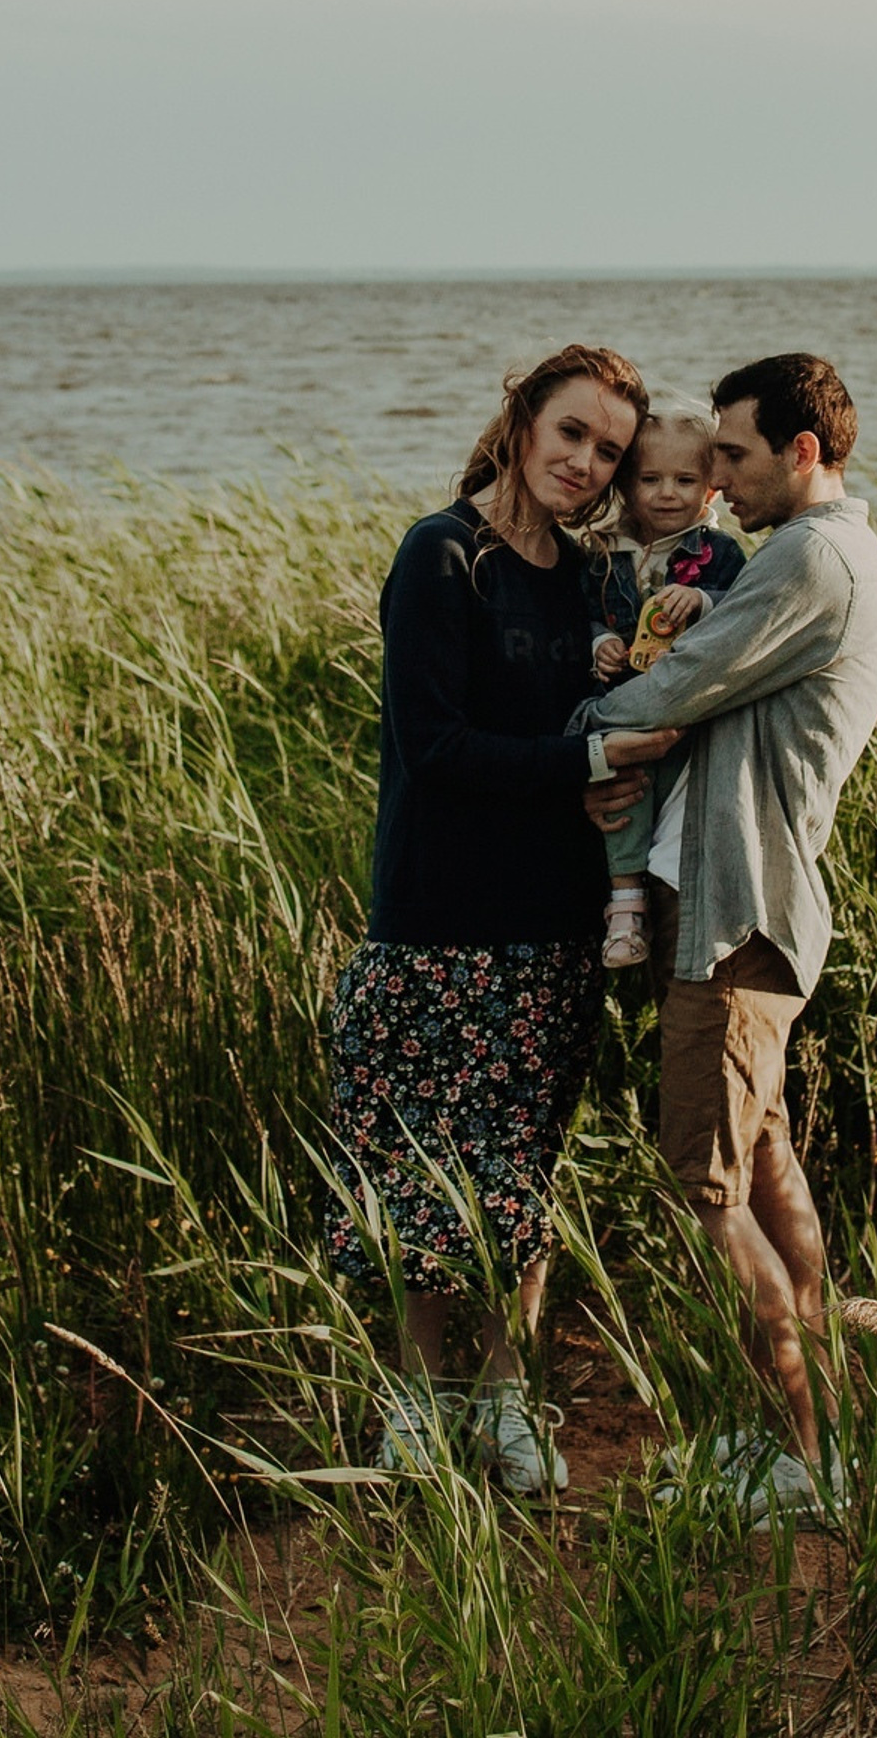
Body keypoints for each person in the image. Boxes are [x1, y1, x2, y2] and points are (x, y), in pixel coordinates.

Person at [325, 345, 681, 1494]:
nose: (586, 463)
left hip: (558, 920)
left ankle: (507, 1403)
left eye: (610, 452)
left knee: (518, 1183)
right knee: (427, 1184)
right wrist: (582, 759)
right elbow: (432, 746)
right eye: (571, 433)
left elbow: (620, 703)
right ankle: (421, 1408)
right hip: (438, 915)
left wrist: (612, 778)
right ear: (522, 418)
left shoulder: (590, 580)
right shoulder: (442, 557)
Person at [574, 353, 877, 1522]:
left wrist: (565, 731)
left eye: (733, 455)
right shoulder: (821, 555)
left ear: (801, 452)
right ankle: (819, 1440)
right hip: (745, 907)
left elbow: (665, 692)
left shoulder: (812, 558)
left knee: (702, 1192)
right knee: (762, 1168)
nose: (711, 478)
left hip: (733, 915)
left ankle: (795, 1460)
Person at [584, 405, 748, 970]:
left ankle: (664, 901)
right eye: (650, 480)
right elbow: (583, 614)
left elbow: (746, 611)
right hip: (623, 706)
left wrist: (702, 600)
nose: (667, 494)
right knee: (625, 794)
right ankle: (625, 907)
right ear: (627, 486)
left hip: (685, 709)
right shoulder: (603, 554)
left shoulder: (716, 553)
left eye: (685, 481)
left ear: (710, 489)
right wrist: (599, 640)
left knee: (675, 802)